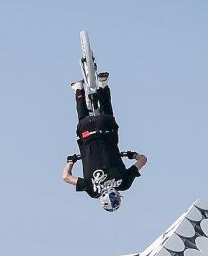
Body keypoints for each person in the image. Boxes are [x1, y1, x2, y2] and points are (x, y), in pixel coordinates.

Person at [61, 72, 147, 212]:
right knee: (82, 122)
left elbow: (143, 160)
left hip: (106, 126)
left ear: (118, 196)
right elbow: (66, 177)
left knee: (109, 116)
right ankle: (78, 89)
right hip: (87, 132)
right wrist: (71, 161)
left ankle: (103, 84)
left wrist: (132, 155)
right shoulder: (92, 189)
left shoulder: (124, 183)